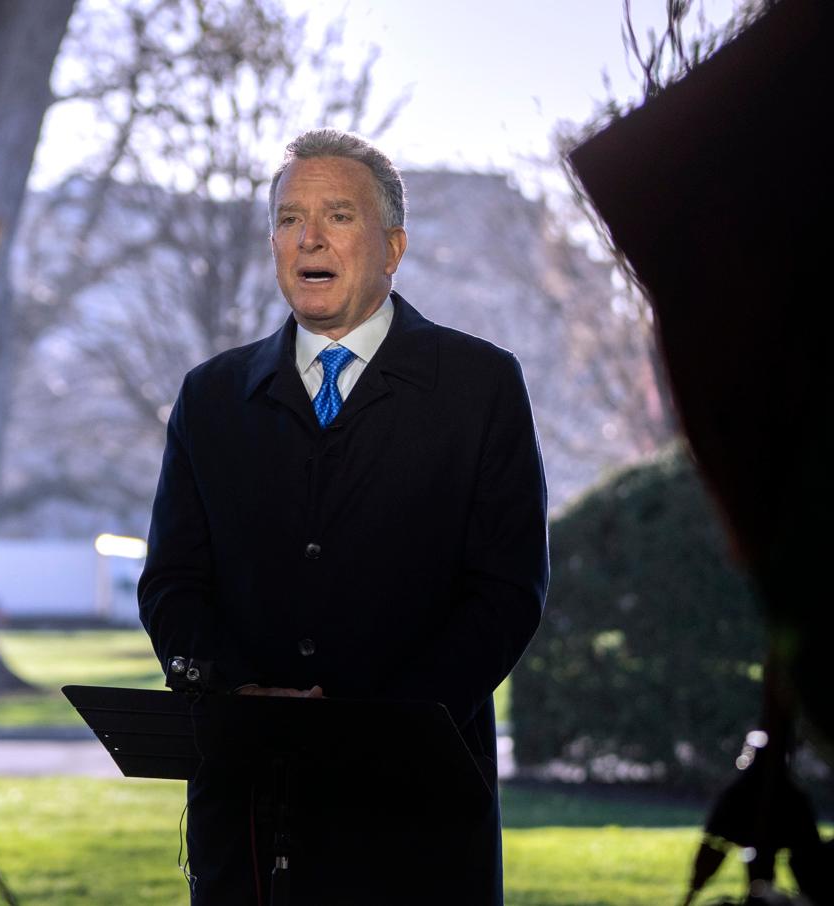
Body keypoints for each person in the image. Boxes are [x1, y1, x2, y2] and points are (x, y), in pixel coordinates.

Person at [137, 129, 550, 905]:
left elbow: (506, 592)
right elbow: (172, 584)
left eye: (337, 216)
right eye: (291, 219)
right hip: (249, 825)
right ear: (273, 244)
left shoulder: (480, 386)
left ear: (393, 246)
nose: (311, 238)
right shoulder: (210, 396)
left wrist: (373, 719)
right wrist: (237, 690)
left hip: (415, 819)